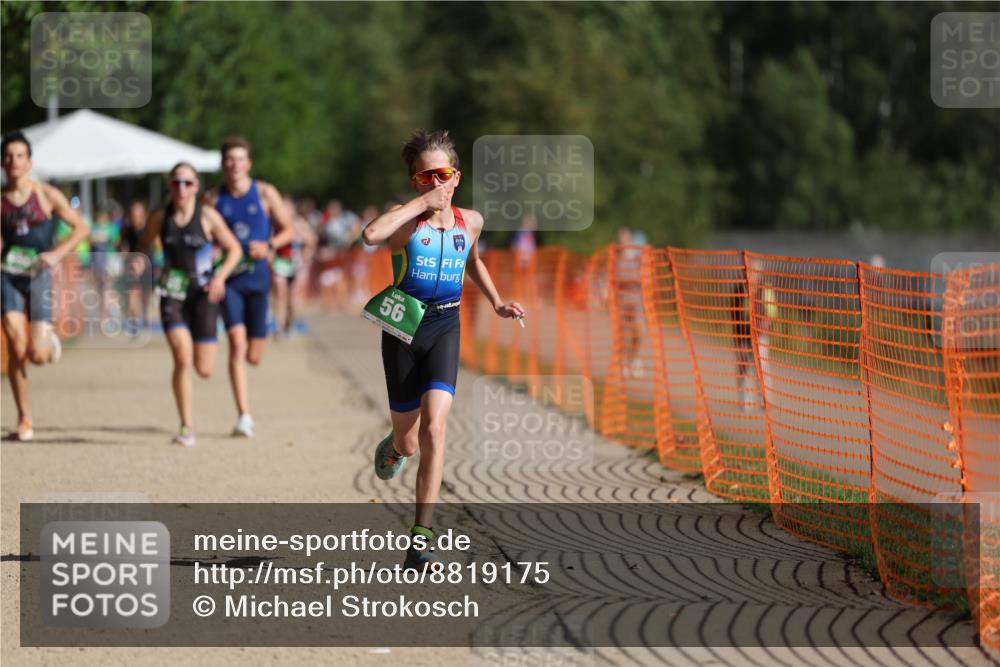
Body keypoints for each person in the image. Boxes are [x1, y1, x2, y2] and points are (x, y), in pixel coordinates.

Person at [362, 129, 525, 569]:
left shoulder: (470, 222)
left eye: (444, 174)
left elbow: (473, 259)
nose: (436, 183)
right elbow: (371, 235)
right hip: (401, 328)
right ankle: (395, 445)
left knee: (436, 428)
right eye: (425, 177)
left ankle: (420, 537)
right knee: (410, 441)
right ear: (415, 181)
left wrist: (496, 301)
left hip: (444, 327)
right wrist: (416, 205)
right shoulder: (406, 222)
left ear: (457, 177)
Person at [134, 163, 243, 446]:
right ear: (169, 186)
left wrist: (220, 277)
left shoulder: (207, 216)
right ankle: (186, 425)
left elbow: (234, 249)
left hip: (204, 293)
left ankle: (208, 335)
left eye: (187, 183)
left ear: (196, 186)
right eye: (175, 183)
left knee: (204, 369)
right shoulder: (160, 216)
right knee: (182, 358)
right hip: (172, 291)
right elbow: (143, 245)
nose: (181, 189)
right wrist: (138, 261)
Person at [1, 131, 89, 442]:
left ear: (29, 162)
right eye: (8, 156)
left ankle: (48, 345)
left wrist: (56, 254)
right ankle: (24, 417)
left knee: (35, 354)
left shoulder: (47, 195)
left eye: (19, 156)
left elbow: (81, 228)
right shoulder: (1, 202)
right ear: (2, 162)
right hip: (8, 274)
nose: (13, 162)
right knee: (14, 344)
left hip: (39, 276)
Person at [205, 136, 294, 438]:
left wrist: (269, 245)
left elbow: (289, 230)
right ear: (223, 164)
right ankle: (244, 415)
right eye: (230, 160)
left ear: (249, 163)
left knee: (254, 355)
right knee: (237, 345)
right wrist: (213, 249)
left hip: (258, 279)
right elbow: (203, 233)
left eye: (240, 159)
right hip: (229, 280)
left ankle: (262, 339)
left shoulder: (265, 193)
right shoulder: (214, 199)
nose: (235, 165)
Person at [270, 197, 317, 338]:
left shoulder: (299, 223)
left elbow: (312, 240)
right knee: (280, 294)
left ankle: (289, 324)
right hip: (280, 263)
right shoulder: (275, 224)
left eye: (287, 207)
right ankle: (279, 326)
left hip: (297, 265)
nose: (284, 210)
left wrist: (305, 255)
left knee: (292, 298)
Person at [119, 200, 157, 333]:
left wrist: (142, 261)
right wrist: (123, 252)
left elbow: (156, 246)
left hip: (147, 265)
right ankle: (133, 321)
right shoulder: (127, 229)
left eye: (137, 215)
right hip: (131, 266)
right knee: (132, 293)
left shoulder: (149, 229)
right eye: (133, 215)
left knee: (146, 295)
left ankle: (146, 318)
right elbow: (120, 246)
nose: (135, 218)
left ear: (143, 215)